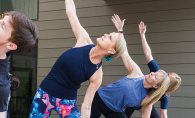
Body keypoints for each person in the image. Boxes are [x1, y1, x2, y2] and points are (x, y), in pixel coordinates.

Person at [29, 0, 127, 118]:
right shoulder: (84, 40)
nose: (105, 35)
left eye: (110, 38)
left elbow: (86, 105)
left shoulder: (97, 74)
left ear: (111, 51)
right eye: (109, 34)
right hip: (45, 94)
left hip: (66, 103)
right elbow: (71, 12)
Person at [90, 15, 170, 118]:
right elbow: (124, 52)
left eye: (155, 76)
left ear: (155, 86)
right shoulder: (137, 73)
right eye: (154, 73)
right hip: (100, 98)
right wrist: (120, 30)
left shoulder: (147, 100)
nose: (151, 73)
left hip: (115, 111)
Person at [125, 21, 181, 118]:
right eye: (167, 74)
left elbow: (164, 115)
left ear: (168, 87)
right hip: (134, 97)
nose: (164, 76)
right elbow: (148, 53)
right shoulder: (157, 72)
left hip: (146, 103)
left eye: (167, 78)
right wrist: (142, 35)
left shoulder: (164, 97)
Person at [0, 11, 39, 118]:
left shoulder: (1, 86)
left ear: (11, 45)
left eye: (3, 26)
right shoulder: (5, 51)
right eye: (2, 19)